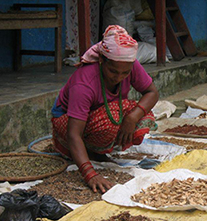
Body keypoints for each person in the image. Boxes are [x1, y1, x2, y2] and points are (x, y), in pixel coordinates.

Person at [51, 25, 159, 193]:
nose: (118, 77)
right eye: (113, 71)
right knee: (112, 119)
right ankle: (86, 153)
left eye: (125, 73)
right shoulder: (84, 83)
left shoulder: (128, 65)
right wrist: (89, 173)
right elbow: (74, 134)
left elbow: (152, 93)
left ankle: (96, 151)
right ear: (101, 59)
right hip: (67, 122)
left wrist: (132, 118)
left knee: (142, 114)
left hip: (98, 115)